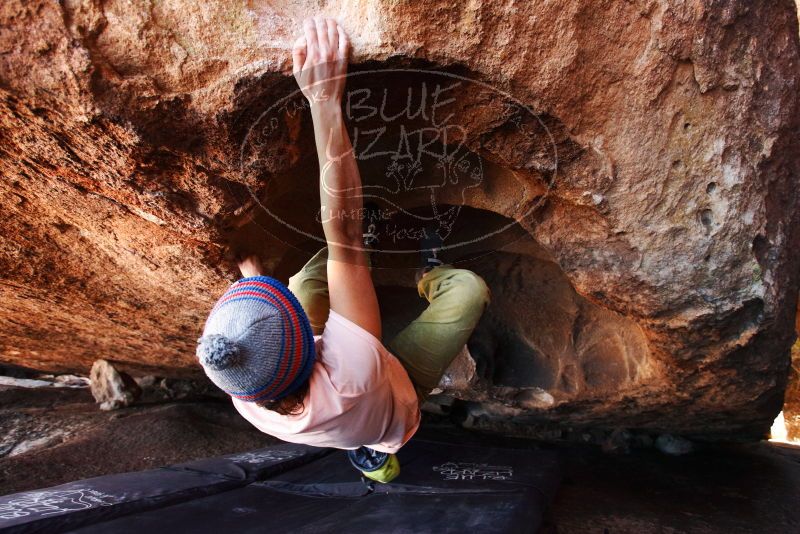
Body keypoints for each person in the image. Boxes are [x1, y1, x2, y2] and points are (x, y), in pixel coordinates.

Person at [196, 17, 490, 483]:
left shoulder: (245, 388)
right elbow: (343, 235)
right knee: (467, 291)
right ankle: (431, 274)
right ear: (307, 351)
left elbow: (243, 348)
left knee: (306, 284)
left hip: (346, 404)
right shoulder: (350, 373)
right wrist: (323, 99)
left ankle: (363, 448)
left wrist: (252, 285)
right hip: (395, 394)